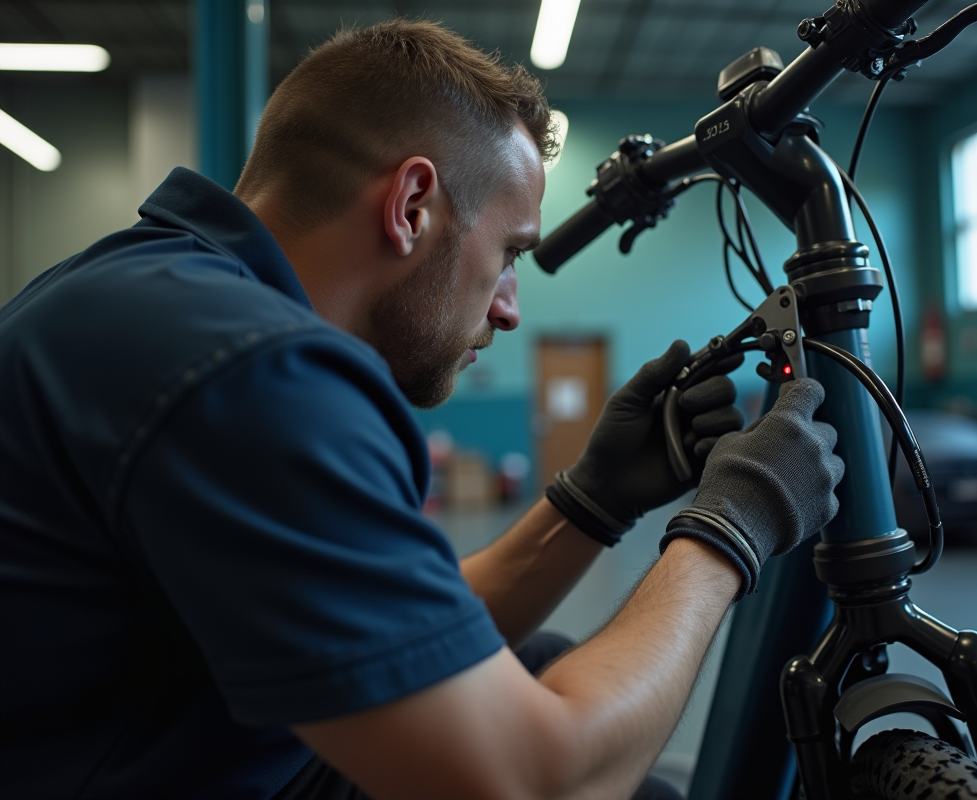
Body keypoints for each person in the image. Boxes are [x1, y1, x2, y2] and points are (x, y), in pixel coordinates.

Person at [0, 19, 844, 800]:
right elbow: (529, 783)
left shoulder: (164, 297)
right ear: (411, 207)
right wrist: (736, 521)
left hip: (186, 752)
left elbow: (391, 632)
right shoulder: (251, 373)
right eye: (509, 252)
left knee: (540, 661)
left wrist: (596, 498)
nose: (510, 305)